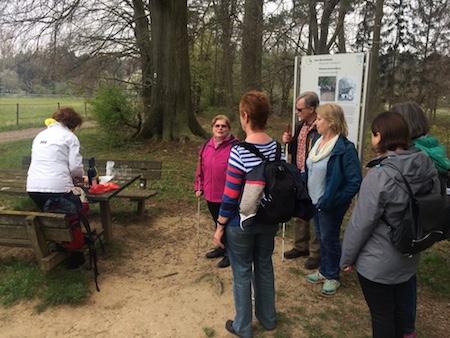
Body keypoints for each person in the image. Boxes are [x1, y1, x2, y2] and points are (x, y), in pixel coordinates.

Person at [340, 111, 441, 338]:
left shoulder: (379, 177)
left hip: (377, 264)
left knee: (382, 315)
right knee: (400, 313)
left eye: (374, 134)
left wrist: (346, 259)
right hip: (409, 254)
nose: (373, 139)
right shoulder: (427, 166)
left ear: (380, 136)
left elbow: (361, 224)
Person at [214, 91, 281, 338]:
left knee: (242, 272)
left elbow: (231, 194)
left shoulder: (239, 151)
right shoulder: (276, 148)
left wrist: (220, 225)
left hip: (240, 223)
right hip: (269, 219)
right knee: (264, 265)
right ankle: (268, 318)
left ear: (245, 116)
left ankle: (243, 326)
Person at [390, 102, 450, 338]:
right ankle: (406, 326)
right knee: (408, 274)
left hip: (407, 225)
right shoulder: (432, 150)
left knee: (404, 277)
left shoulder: (414, 156)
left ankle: (405, 327)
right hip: (424, 225)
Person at [305, 102, 361, 295]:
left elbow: (354, 182)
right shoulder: (317, 143)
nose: (316, 123)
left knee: (330, 239)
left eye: (319, 119)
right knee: (321, 237)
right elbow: (310, 170)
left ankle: (333, 276)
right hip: (314, 202)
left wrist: (334, 199)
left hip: (330, 204)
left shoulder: (345, 148)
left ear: (331, 122)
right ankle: (324, 270)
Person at [27, 107, 86, 268]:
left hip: (33, 186)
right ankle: (75, 256)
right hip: (57, 186)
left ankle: (58, 244)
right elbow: (75, 167)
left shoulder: (40, 135)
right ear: (72, 124)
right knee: (70, 218)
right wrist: (79, 178)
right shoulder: (69, 137)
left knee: (52, 217)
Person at [281, 91, 321, 269]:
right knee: (300, 210)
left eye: (300, 109)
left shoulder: (321, 126)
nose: (297, 112)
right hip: (299, 174)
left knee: (316, 213)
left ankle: (316, 252)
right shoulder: (300, 125)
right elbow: (296, 148)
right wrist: (288, 141)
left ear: (312, 109)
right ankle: (300, 246)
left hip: (315, 176)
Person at [194, 114, 238, 268]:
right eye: (217, 126)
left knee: (227, 225)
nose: (220, 129)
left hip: (227, 194)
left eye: (223, 126)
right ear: (212, 128)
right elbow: (200, 168)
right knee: (216, 222)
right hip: (210, 192)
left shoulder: (235, 146)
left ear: (229, 129)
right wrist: (198, 186)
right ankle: (221, 247)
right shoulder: (206, 145)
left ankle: (230, 253)